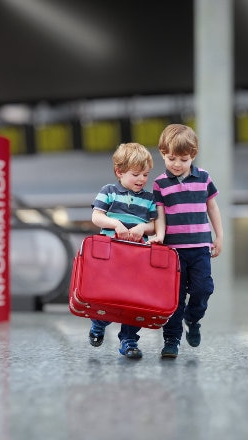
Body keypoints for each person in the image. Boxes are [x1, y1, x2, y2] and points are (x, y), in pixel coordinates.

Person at [149, 124, 224, 358]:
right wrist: (159, 236)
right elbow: (159, 213)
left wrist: (219, 236)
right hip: (173, 252)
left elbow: (212, 206)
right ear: (162, 153)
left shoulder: (203, 178)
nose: (177, 164)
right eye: (171, 158)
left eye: (183, 159)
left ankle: (193, 319)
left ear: (193, 155)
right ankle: (171, 340)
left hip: (200, 247)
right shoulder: (160, 184)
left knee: (203, 288)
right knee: (175, 298)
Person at [88, 142, 157, 359]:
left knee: (134, 302)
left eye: (145, 174)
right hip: (111, 258)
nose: (142, 179)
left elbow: (155, 225)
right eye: (136, 174)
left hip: (137, 260)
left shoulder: (149, 199)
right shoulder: (108, 191)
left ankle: (129, 340)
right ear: (119, 172)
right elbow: (96, 216)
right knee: (109, 297)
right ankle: (99, 323)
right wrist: (115, 224)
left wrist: (143, 227)